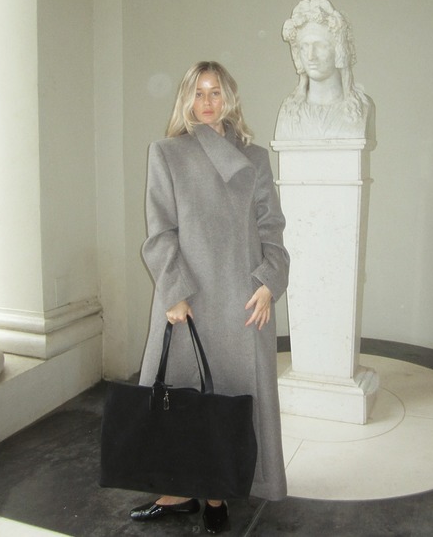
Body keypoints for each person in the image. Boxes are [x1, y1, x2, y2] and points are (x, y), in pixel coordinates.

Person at [130, 61, 290, 534]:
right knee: (181, 400)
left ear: (229, 98)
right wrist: (175, 292)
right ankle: (178, 493)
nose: (206, 102)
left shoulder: (255, 157)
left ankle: (218, 493)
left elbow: (272, 228)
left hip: (243, 302)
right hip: (187, 300)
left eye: (215, 92)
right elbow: (160, 232)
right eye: (198, 92)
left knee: (227, 400)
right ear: (186, 98)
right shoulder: (166, 152)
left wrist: (269, 281)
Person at [275, 0, 375, 140]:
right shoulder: (289, 112)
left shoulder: (362, 109)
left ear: (339, 51)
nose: (310, 56)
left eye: (320, 46)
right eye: (304, 47)